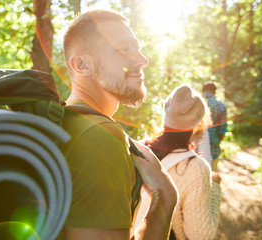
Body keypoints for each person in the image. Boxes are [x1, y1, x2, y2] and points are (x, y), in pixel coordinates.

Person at [59, 10, 178, 240]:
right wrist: (165, 198)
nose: (143, 60)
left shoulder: (67, 122)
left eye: (138, 49)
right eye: (124, 50)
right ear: (82, 65)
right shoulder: (101, 138)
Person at [141, 85, 221, 240]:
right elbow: (201, 236)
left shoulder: (139, 149)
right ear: (198, 123)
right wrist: (215, 188)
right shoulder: (195, 168)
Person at [202, 81, 228, 171]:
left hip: (195, 151)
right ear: (215, 91)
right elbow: (223, 130)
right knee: (212, 180)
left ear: (203, 90)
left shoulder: (195, 104)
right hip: (213, 149)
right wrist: (216, 141)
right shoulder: (221, 106)